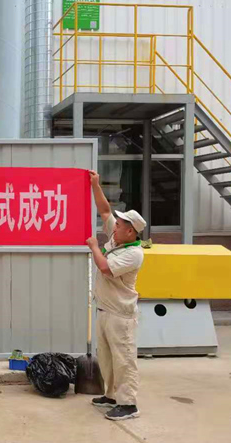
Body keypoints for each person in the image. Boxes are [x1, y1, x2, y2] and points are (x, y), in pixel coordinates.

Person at [85, 170, 146, 421]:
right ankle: (111, 396)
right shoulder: (118, 238)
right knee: (107, 358)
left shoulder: (134, 254)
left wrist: (94, 247)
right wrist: (95, 184)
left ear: (130, 232)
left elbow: (105, 268)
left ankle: (128, 404)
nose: (114, 226)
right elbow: (104, 211)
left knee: (123, 360)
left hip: (121, 315)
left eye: (119, 225)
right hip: (105, 310)